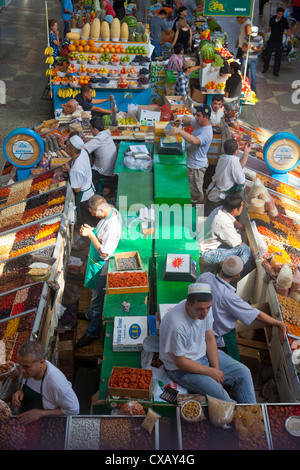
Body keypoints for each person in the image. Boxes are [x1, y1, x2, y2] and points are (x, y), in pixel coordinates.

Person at [159, 282, 257, 403]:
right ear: (188, 304)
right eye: (200, 309)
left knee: (244, 373)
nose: (204, 312)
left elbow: (210, 339)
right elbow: (181, 362)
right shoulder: (176, 325)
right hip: (181, 369)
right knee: (224, 399)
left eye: (208, 308)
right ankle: (233, 416)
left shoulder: (205, 308)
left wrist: (216, 370)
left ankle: (252, 412)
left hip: (203, 354)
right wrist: (211, 372)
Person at [197, 255, 290, 361]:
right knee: (231, 366)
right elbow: (257, 315)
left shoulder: (205, 277)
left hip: (199, 329)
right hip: (218, 339)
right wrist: (279, 324)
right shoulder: (229, 296)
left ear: (221, 263)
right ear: (237, 276)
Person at [76, 195, 122, 347]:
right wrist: (93, 230)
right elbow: (101, 231)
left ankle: (92, 332)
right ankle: (89, 315)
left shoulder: (112, 228)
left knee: (97, 300)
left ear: (101, 209)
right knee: (94, 298)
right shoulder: (111, 210)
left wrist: (90, 235)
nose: (92, 215)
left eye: (93, 213)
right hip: (95, 261)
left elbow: (104, 253)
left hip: (101, 267)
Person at [12, 341, 79, 425]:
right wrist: (21, 391)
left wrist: (40, 413)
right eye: (20, 365)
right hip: (26, 416)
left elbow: (74, 409)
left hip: (44, 423)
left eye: (26, 366)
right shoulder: (30, 371)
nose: (21, 370)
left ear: (41, 363)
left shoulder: (56, 383)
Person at [169, 105, 213, 204]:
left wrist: (179, 131)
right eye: (195, 115)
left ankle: (200, 215)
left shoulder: (207, 132)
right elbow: (188, 119)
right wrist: (180, 118)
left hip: (196, 168)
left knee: (197, 194)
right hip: (190, 163)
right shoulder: (199, 122)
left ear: (206, 118)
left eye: (198, 115)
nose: (195, 117)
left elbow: (195, 141)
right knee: (190, 190)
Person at [199, 192, 252, 271]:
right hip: (206, 254)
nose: (242, 208)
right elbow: (238, 244)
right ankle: (238, 275)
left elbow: (232, 220)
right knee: (244, 249)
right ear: (234, 210)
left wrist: (241, 226)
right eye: (241, 207)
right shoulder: (223, 222)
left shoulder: (220, 209)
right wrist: (243, 235)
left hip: (204, 244)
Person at [205, 139, 251, 215]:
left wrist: (246, 153)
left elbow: (239, 167)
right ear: (236, 151)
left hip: (214, 192)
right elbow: (241, 181)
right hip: (217, 198)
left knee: (208, 216)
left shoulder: (224, 157)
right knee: (210, 217)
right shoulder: (233, 161)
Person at [62, 135, 96, 226]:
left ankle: (86, 239)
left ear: (72, 151)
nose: (64, 147)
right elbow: (73, 159)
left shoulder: (76, 169)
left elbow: (77, 189)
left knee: (85, 220)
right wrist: (69, 164)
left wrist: (69, 170)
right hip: (89, 187)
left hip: (83, 197)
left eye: (66, 146)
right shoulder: (82, 152)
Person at [82, 117, 118, 190]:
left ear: (95, 129)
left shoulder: (98, 139)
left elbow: (83, 149)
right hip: (111, 168)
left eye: (91, 128)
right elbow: (93, 142)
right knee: (92, 152)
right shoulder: (106, 133)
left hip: (104, 171)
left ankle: (92, 191)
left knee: (84, 175)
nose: (90, 130)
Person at [262, 7, 293, 76]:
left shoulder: (284, 20)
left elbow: (288, 30)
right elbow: (270, 28)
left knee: (278, 57)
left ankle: (276, 71)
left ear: (282, 14)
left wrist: (291, 38)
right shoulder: (272, 19)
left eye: (281, 14)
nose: (279, 16)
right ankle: (265, 68)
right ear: (276, 13)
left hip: (279, 41)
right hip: (271, 40)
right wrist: (265, 32)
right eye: (278, 14)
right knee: (268, 55)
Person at [242, 25, 263, 93]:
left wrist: (255, 49)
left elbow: (260, 50)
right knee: (245, 74)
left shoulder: (260, 38)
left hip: (254, 59)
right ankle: (245, 88)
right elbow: (243, 48)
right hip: (246, 57)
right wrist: (247, 46)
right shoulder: (247, 37)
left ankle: (253, 90)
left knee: (253, 75)